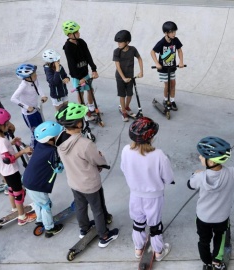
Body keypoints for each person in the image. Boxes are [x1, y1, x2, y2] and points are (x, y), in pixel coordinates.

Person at [55, 102, 119, 247]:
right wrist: (101, 159)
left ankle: (83, 229)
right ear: (78, 124)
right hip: (89, 184)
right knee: (97, 209)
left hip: (74, 182)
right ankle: (104, 236)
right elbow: (97, 160)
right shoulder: (85, 144)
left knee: (80, 206)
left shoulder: (60, 139)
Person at [187, 136, 234, 270]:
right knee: (220, 238)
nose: (199, 157)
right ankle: (217, 263)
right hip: (221, 218)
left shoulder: (200, 178)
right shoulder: (232, 173)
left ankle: (206, 262)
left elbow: (190, 184)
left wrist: (195, 174)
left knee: (203, 240)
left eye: (202, 156)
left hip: (203, 218)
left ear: (211, 162)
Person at [121, 117, 173, 261]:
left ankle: (138, 249)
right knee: (155, 225)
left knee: (138, 223)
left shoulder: (126, 150)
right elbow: (168, 178)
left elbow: (124, 169)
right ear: (151, 136)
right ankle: (158, 252)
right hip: (154, 197)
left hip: (135, 195)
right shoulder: (159, 155)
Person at [0, 108, 36, 225]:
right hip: (11, 170)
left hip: (4, 170)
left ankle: (14, 208)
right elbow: (8, 159)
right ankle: (22, 217)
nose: (8, 125)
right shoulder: (2, 140)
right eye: (6, 124)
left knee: (11, 190)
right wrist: (23, 151)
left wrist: (11, 143)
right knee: (19, 192)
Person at [22, 121, 65, 238]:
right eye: (57, 136)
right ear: (50, 139)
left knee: (38, 203)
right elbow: (58, 168)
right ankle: (50, 228)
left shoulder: (40, 146)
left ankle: (40, 220)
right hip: (37, 185)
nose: (59, 137)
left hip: (27, 180)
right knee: (46, 205)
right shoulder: (52, 151)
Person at [62, 20, 98, 121]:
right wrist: (79, 78)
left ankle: (91, 107)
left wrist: (94, 69)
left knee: (90, 90)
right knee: (80, 93)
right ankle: (84, 112)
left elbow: (88, 56)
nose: (79, 33)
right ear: (69, 34)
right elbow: (71, 64)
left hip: (85, 72)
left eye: (78, 31)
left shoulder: (81, 42)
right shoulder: (68, 47)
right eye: (76, 32)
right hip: (77, 75)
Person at [11, 63, 48, 149]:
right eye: (34, 74)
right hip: (29, 114)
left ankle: (44, 143)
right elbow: (13, 98)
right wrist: (26, 107)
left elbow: (38, 87)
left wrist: (43, 95)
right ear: (27, 77)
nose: (36, 75)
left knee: (42, 127)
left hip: (36, 109)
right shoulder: (23, 85)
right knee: (35, 132)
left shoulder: (34, 80)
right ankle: (33, 149)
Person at [151, 21, 184, 111]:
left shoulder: (175, 40)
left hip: (172, 67)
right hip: (163, 69)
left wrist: (181, 61)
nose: (174, 34)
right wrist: (157, 63)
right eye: (172, 32)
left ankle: (172, 101)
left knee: (173, 84)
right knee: (168, 85)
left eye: (174, 31)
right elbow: (152, 52)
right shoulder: (162, 42)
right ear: (166, 33)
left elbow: (180, 50)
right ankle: (166, 100)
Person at [113, 30, 144, 122]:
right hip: (120, 77)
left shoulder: (133, 49)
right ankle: (123, 111)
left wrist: (141, 71)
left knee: (130, 94)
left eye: (120, 42)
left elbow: (139, 58)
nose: (118, 44)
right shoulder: (116, 51)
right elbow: (117, 66)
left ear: (127, 42)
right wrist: (123, 78)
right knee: (122, 94)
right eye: (118, 42)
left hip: (130, 76)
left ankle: (126, 106)